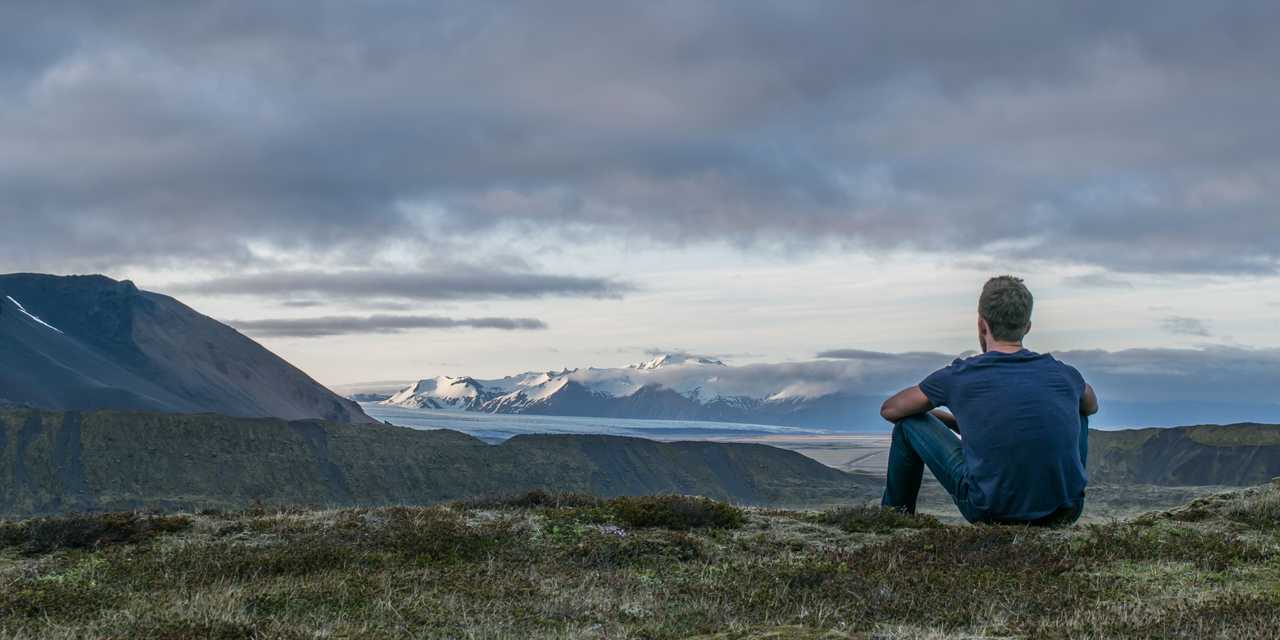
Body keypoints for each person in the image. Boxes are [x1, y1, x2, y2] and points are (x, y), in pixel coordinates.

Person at [879, 275, 1098, 526]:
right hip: (1066, 511)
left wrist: (935, 416)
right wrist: (960, 423)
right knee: (1079, 410)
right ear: (1027, 326)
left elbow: (891, 410)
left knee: (907, 426)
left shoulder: (960, 376)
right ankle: (1061, 495)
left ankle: (894, 520)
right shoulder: (1064, 374)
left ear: (982, 325)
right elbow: (1092, 405)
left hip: (989, 510)